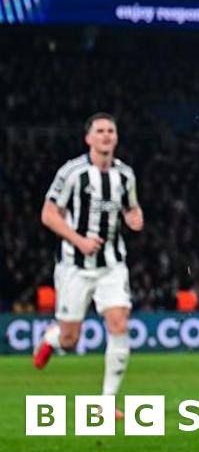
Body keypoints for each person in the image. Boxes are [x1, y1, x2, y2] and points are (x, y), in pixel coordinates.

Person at [34, 113, 144, 419]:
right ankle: (51, 338)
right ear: (89, 138)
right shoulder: (72, 172)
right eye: (100, 131)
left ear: (116, 138)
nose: (106, 135)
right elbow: (48, 214)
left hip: (112, 264)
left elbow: (132, 209)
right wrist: (78, 240)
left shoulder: (125, 175)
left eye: (111, 130)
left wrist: (135, 218)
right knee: (70, 341)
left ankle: (107, 401)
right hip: (74, 265)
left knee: (119, 323)